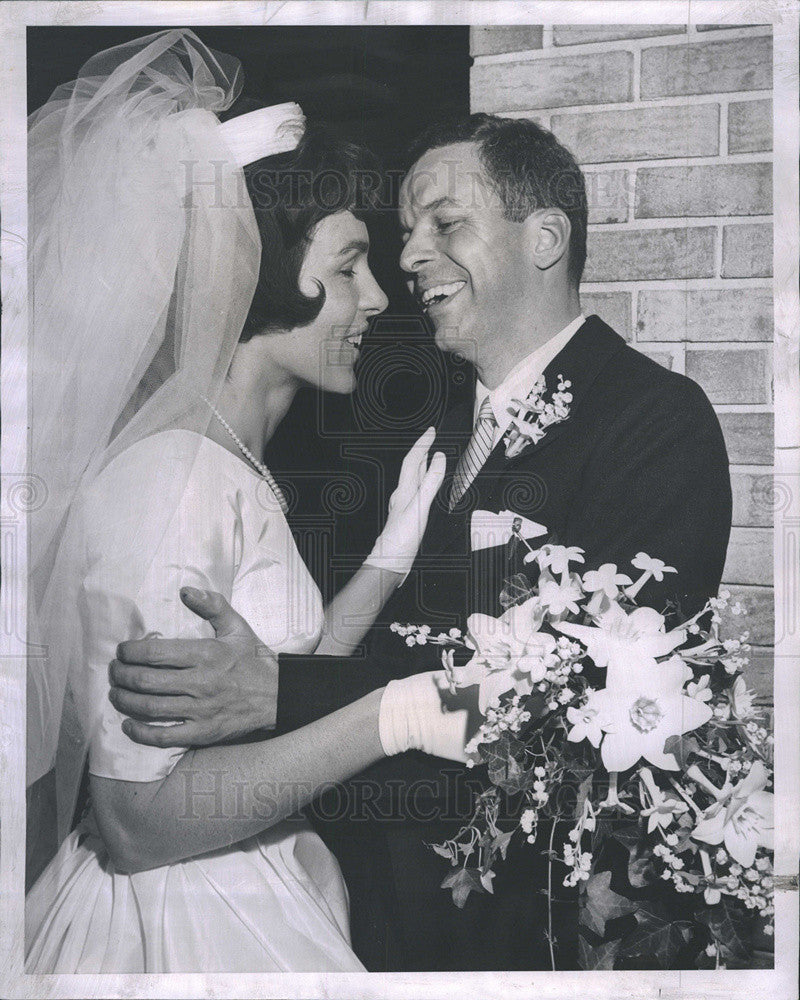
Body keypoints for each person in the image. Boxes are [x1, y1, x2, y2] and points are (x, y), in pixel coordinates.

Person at [109, 114, 733, 969]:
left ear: (545, 237)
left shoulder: (654, 422)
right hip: (365, 915)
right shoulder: (419, 430)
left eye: (445, 224)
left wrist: (276, 691)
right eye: (405, 235)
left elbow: (575, 701)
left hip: (519, 933)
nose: (406, 260)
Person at [24, 29, 475, 974]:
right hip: (181, 927)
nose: (380, 299)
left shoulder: (225, 464)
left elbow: (263, 688)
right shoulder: (169, 481)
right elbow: (140, 817)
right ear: (265, 264)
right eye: (349, 266)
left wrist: (386, 560)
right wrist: (388, 715)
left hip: (253, 888)